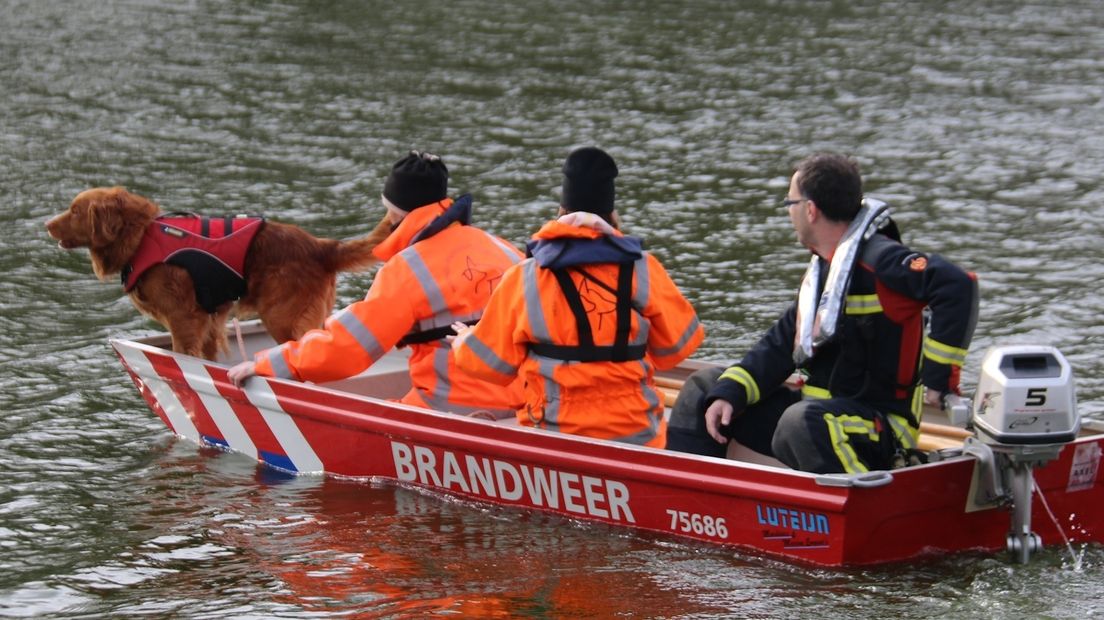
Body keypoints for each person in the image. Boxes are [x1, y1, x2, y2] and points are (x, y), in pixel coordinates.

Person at [666, 153, 978, 473]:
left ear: (810, 210)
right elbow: (778, 345)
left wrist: (940, 378)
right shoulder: (824, 270)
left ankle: (863, 510)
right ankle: (694, 506)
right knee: (706, 389)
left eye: (790, 204)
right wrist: (729, 393)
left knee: (800, 422)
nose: (790, 214)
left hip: (877, 426)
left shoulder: (882, 263)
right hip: (816, 417)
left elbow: (958, 285)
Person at [228, 150, 525, 418]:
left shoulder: (408, 269)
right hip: (524, 404)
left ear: (395, 212)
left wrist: (269, 364)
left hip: (450, 409)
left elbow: (347, 349)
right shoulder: (503, 248)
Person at [450, 146, 704, 448]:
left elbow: (493, 367)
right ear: (612, 214)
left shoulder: (526, 276)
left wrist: (464, 340)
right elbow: (675, 351)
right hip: (639, 435)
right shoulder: (644, 268)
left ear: (561, 212)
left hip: (555, 434)